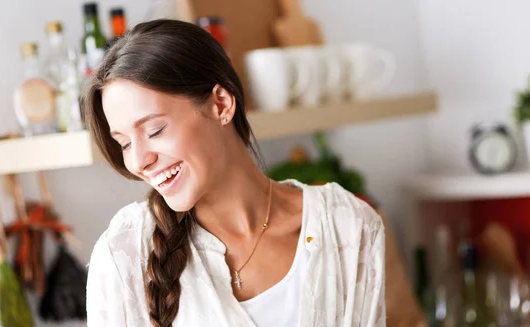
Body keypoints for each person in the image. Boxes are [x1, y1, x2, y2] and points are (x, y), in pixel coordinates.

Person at [83, 19, 386, 327]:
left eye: (155, 130)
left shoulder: (346, 227)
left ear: (221, 103)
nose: (138, 161)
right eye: (123, 143)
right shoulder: (124, 253)